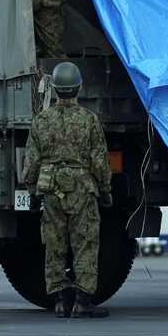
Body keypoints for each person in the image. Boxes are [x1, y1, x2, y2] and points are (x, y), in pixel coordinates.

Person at [22, 61, 113, 318]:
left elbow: (32, 163)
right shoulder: (89, 120)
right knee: (85, 242)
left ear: (54, 88)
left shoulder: (41, 120)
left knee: (54, 243)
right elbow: (99, 161)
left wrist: (31, 190)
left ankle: (59, 301)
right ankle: (82, 302)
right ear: (79, 88)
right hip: (82, 189)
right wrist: (105, 190)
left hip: (50, 189)